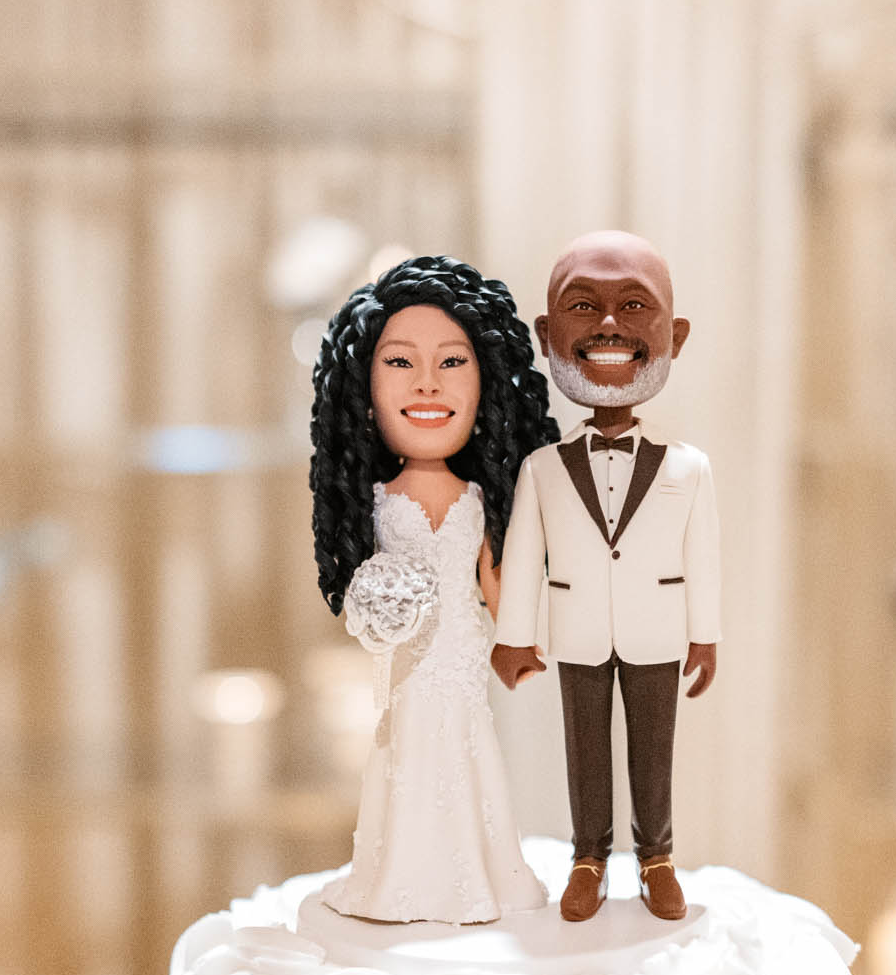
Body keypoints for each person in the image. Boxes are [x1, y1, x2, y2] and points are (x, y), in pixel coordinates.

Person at [309, 255, 561, 923]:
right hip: (406, 664)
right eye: (399, 363)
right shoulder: (371, 501)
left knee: (464, 749)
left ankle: (478, 877)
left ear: (487, 385)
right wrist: (374, 610)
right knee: (408, 755)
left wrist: (525, 634)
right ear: (361, 387)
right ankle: (398, 879)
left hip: (460, 655)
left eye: (451, 363)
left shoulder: (484, 499)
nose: (427, 384)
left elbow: (497, 585)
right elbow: (361, 589)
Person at [491, 231, 720, 922]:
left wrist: (705, 637)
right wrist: (513, 636)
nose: (610, 326)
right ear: (547, 334)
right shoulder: (543, 468)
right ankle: (587, 859)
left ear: (674, 336)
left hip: (659, 632)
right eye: (584, 307)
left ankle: (657, 860)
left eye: (633, 306)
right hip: (577, 631)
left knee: (655, 753)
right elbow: (525, 556)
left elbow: (702, 556)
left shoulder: (689, 468)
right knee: (584, 750)